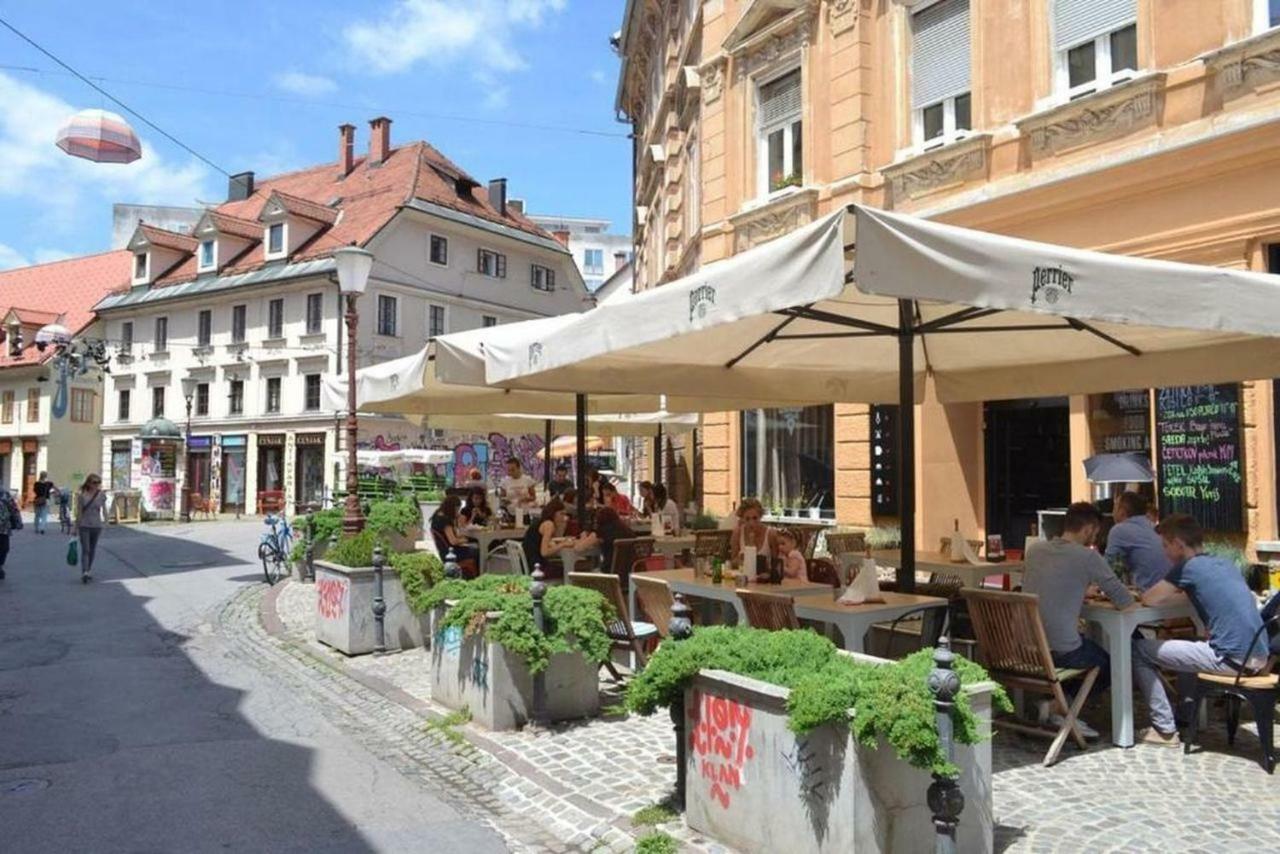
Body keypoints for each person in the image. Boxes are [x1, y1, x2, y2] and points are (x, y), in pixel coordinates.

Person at [1133, 514, 1269, 747]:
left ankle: (1164, 729)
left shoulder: (1188, 567)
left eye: (1165, 545)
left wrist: (1137, 594)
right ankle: (1187, 715)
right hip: (1259, 657)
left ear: (1178, 544)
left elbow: (1150, 598)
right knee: (1189, 640)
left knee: (1137, 649)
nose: (1164, 553)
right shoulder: (1224, 563)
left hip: (1231, 659)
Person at [1022, 502, 1134, 738]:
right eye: (1095, 533)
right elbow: (1124, 600)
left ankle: (1055, 706)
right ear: (1088, 529)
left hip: (1025, 648)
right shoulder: (1087, 557)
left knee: (1082, 646)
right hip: (1059, 651)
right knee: (1107, 664)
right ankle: (1059, 708)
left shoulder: (1035, 551)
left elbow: (1052, 585)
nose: (1094, 538)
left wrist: (1079, 591)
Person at [1104, 491, 1171, 590]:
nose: (1112, 512)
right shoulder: (1152, 526)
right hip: (1170, 592)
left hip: (1148, 593)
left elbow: (1109, 571)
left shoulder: (1119, 530)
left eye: (1114, 507)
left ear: (1122, 511)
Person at [522, 498, 596, 580]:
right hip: (538, 568)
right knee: (572, 571)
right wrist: (563, 544)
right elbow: (544, 552)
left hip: (530, 563)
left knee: (566, 568)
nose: (564, 517)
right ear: (553, 513)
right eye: (561, 514)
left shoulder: (543, 522)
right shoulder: (549, 525)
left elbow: (545, 543)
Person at [73, 473, 108, 583]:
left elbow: (104, 509)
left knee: (92, 550)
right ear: (88, 483)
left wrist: (106, 521)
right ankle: (85, 572)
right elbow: (79, 513)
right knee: (86, 549)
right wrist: (75, 527)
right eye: (94, 482)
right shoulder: (82, 495)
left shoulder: (101, 495)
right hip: (84, 525)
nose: (96, 485)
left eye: (98, 483)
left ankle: (88, 569)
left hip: (96, 526)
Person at [430, 495, 478, 564]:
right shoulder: (445, 521)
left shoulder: (437, 516)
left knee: (473, 547)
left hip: (444, 552)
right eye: (457, 509)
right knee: (478, 551)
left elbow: (452, 535)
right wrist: (467, 540)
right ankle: (478, 572)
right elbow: (453, 541)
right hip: (451, 553)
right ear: (452, 508)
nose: (458, 512)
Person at [730, 498, 779, 564]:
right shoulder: (738, 532)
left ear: (760, 516)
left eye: (755, 518)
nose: (751, 523)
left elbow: (777, 562)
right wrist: (742, 560)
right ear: (742, 519)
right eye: (747, 519)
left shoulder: (771, 534)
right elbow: (733, 560)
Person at [593, 506, 635, 571]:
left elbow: (579, 548)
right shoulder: (627, 530)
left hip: (610, 568)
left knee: (594, 570)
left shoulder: (603, 531)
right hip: (631, 567)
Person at [0, 487, 17, 580]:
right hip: (4, 528)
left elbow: (13, 508)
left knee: (4, 548)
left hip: (3, 528)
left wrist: (16, 521)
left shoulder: (3, 493)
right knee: (3, 548)